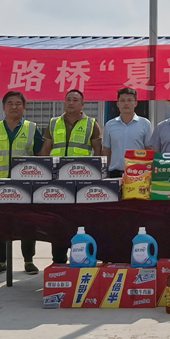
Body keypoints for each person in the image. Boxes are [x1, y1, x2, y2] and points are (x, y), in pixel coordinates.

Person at [0, 90, 43, 275]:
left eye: (18, 103)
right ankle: (1, 261)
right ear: (3, 107)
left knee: (27, 223)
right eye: (10, 103)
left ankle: (28, 260)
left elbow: (40, 155)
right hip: (0, 184)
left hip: (26, 184)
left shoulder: (32, 128)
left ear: (24, 107)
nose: (14, 107)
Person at [40, 88, 101, 264]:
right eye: (68, 99)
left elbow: (98, 152)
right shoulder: (54, 123)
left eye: (75, 100)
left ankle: (81, 257)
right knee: (58, 221)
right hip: (57, 180)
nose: (71, 103)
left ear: (82, 104)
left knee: (81, 221)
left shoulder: (91, 124)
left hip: (82, 181)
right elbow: (45, 150)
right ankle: (58, 260)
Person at [101, 87, 150, 178]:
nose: (126, 103)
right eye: (122, 100)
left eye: (129, 100)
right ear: (118, 104)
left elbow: (149, 149)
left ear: (135, 103)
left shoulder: (145, 124)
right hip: (115, 173)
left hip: (138, 173)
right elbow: (106, 150)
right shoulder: (109, 125)